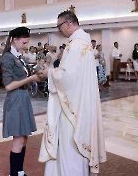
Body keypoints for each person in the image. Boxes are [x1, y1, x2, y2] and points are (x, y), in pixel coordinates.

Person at [38, 11, 106, 175]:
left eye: (59, 26)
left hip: (73, 107)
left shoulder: (76, 45)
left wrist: (49, 73)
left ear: (68, 23)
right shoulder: (84, 43)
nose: (59, 30)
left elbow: (67, 77)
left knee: (70, 147)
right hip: (80, 101)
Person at [1, 26, 41, 176]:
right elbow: (8, 85)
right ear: (14, 40)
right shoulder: (7, 58)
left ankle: (19, 172)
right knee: (18, 141)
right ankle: (14, 174)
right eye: (24, 43)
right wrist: (30, 78)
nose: (26, 46)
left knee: (24, 139)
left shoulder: (17, 56)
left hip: (22, 99)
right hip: (15, 99)